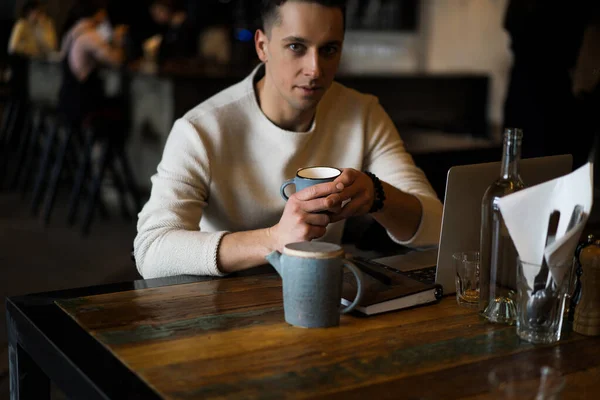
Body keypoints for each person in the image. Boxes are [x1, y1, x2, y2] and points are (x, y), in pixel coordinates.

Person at [133, 0, 443, 279]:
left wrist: (378, 195)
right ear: (262, 46)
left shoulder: (363, 113)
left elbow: (437, 228)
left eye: (329, 49)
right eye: (297, 47)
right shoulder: (200, 129)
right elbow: (152, 251)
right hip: (222, 306)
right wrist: (273, 238)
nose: (315, 69)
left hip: (323, 299)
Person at [58, 0, 127, 126]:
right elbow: (117, 60)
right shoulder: (91, 36)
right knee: (121, 107)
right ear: (98, 14)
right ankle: (100, 144)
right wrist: (118, 39)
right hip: (82, 104)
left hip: (66, 99)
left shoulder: (70, 33)